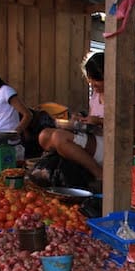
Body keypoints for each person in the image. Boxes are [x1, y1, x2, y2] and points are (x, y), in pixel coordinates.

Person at [38, 52, 106, 182]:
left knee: (59, 137)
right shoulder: (95, 95)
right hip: (95, 138)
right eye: (90, 79)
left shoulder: (122, 96)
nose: (92, 84)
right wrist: (80, 120)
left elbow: (133, 132)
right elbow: (92, 122)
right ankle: (60, 168)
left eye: (97, 80)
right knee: (44, 135)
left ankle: (99, 173)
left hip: (110, 145)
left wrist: (100, 121)